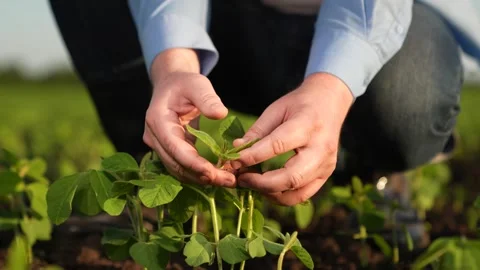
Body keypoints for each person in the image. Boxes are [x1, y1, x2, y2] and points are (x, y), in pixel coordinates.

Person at [48, 0, 480, 209]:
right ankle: (154, 176)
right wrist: (174, 64)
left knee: (410, 98)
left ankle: (377, 178)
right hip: (217, 17)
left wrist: (332, 87)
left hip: (338, 15)